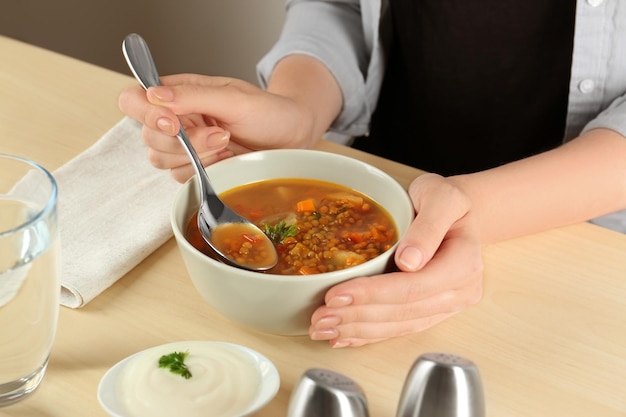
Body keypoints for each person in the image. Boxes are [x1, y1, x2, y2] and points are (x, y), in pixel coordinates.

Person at [119, 0, 626, 348]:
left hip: (583, 234)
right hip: (381, 172)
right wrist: (297, 110)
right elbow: (338, 5)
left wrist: (476, 207)